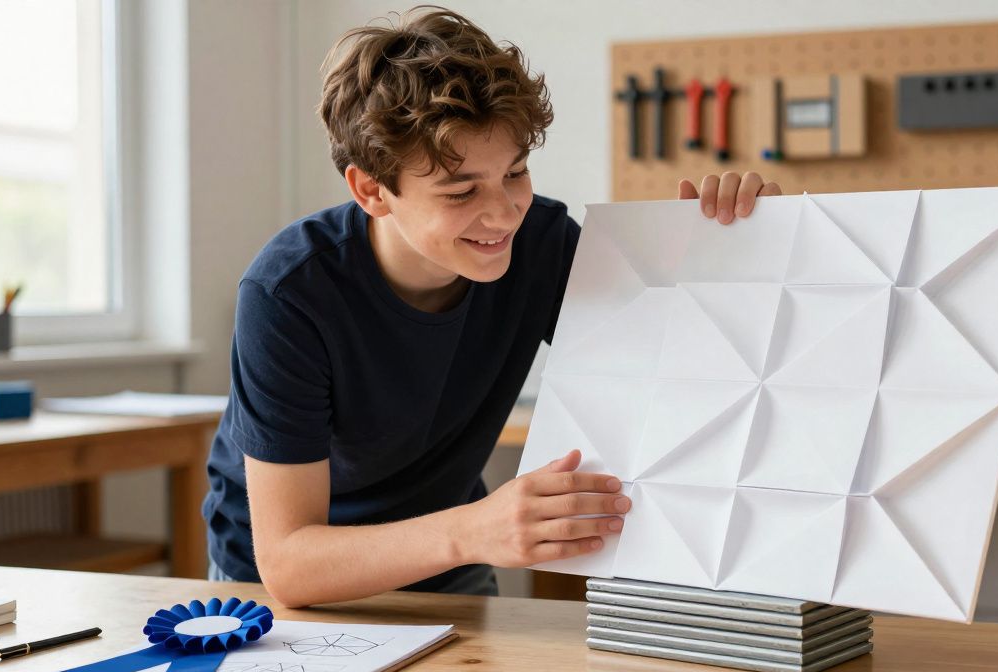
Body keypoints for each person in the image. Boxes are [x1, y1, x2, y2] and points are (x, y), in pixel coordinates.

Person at [201, 6, 781, 607]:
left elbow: (684, 375)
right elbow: (290, 563)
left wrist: (748, 255)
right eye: (461, 190)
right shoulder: (289, 294)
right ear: (372, 190)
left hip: (450, 554)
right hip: (294, 577)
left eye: (516, 172)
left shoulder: (545, 243)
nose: (504, 212)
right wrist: (475, 530)